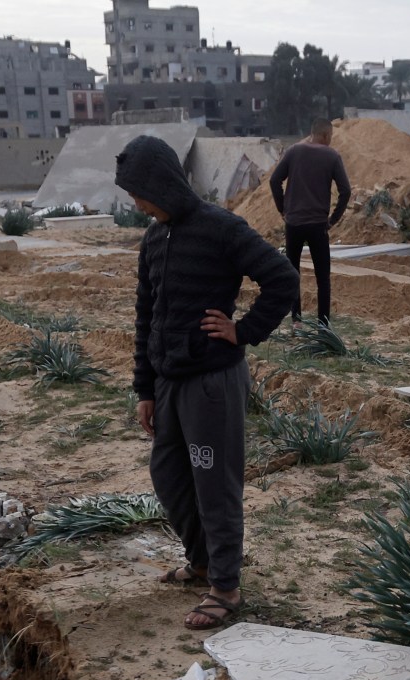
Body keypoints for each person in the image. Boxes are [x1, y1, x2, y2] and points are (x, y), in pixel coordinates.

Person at [117, 134, 298, 631]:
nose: (135, 202)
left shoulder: (221, 229)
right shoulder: (154, 240)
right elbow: (145, 316)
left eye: (137, 191)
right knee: (170, 478)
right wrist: (145, 389)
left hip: (212, 384)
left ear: (159, 183)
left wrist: (243, 331)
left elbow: (282, 279)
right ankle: (201, 563)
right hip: (170, 384)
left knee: (215, 486)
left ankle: (225, 586)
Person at [267, 118, 352, 324]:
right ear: (324, 135)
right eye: (330, 136)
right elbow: (346, 191)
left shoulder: (294, 151)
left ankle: (296, 321)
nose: (330, 141)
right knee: (323, 278)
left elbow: (274, 180)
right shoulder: (332, 156)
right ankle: (323, 325)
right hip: (318, 225)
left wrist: (283, 210)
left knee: (293, 273)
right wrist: (333, 220)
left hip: (293, 224)